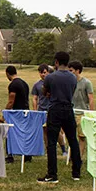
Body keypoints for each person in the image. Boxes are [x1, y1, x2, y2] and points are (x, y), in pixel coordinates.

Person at [38, 51, 81, 183]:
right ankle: (76, 173)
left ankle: (52, 175)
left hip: (55, 109)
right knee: (73, 140)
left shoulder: (50, 77)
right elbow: (71, 91)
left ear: (56, 62)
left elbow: (44, 92)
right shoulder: (73, 77)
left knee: (51, 142)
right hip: (68, 109)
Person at [32, 64, 67, 156]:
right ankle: (49, 150)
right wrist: (35, 110)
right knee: (45, 131)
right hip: (42, 110)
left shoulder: (54, 83)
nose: (43, 75)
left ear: (48, 72)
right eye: (41, 73)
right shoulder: (37, 85)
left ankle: (63, 149)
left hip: (53, 109)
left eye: (44, 73)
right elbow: (35, 98)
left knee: (56, 130)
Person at [3, 65, 31, 163]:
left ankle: (10, 155)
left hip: (16, 113)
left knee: (10, 133)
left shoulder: (13, 85)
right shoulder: (25, 83)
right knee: (24, 134)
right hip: (26, 112)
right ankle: (27, 155)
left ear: (7, 74)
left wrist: (4, 115)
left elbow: (11, 101)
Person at [68, 60, 95, 158]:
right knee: (71, 136)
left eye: (71, 70)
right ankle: (72, 155)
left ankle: (79, 157)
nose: (69, 73)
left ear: (78, 71)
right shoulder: (69, 82)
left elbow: (91, 98)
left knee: (81, 136)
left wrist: (91, 114)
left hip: (82, 113)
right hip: (71, 112)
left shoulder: (86, 83)